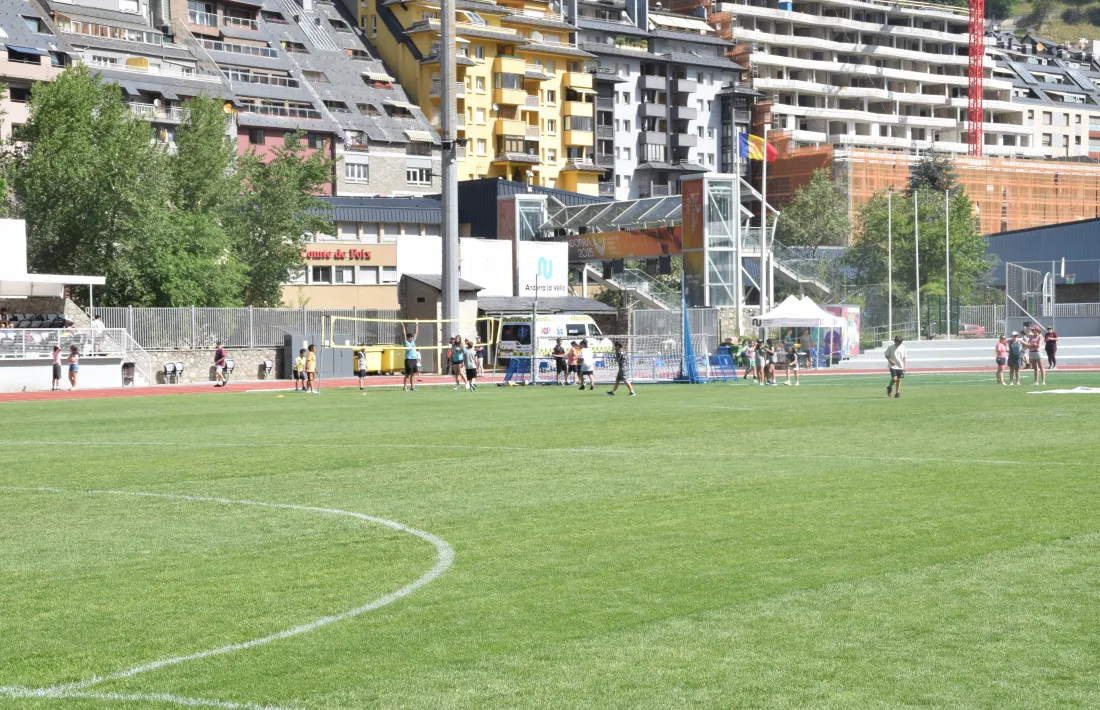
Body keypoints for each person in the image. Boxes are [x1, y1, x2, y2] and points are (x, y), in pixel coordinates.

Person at [402, 323, 419, 392]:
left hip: (414, 359)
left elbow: (416, 332)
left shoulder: (413, 342)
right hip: (408, 360)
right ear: (408, 338)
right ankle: (405, 387)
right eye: (411, 337)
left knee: (413, 374)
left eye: (412, 338)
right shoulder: (406, 342)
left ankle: (412, 387)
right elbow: (403, 334)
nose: (412, 338)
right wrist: (403, 326)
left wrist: (417, 324)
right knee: (407, 374)